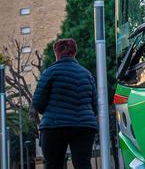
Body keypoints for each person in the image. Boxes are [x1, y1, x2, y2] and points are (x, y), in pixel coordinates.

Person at [33, 38, 98, 169]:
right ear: (74, 53)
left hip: (54, 126)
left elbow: (38, 103)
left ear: (57, 54)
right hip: (84, 127)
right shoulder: (87, 75)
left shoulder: (50, 72)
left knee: (53, 164)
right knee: (83, 163)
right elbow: (94, 106)